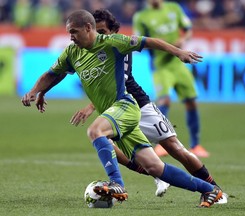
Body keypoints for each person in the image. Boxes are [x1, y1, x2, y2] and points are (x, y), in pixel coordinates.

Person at [21, 9, 222, 207]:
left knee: (95, 131)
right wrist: (37, 91)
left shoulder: (112, 43)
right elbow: (53, 73)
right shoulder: (72, 53)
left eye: (74, 31)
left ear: (88, 28)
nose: (71, 36)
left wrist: (178, 52)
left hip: (124, 106)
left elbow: (147, 41)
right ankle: (209, 189)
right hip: (113, 113)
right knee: (154, 167)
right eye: (69, 32)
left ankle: (117, 183)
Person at [133, 0, 210, 158]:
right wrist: (163, 46)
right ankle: (162, 144)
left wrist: (183, 40)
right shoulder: (141, 17)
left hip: (179, 65)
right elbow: (140, 43)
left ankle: (196, 145)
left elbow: (188, 29)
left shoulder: (174, 8)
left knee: (191, 101)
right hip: (160, 66)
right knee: (164, 101)